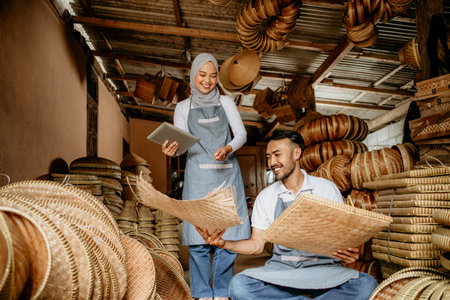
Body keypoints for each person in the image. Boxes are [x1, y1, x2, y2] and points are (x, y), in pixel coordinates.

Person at [196, 130, 378, 300]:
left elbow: (341, 236)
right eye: (268, 157)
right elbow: (257, 245)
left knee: (367, 284)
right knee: (239, 286)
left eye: (277, 154)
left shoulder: (325, 188)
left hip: (324, 270)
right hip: (282, 270)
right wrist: (224, 243)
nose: (272, 162)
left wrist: (349, 250)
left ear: (296, 153)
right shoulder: (266, 196)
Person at [162, 53, 251, 300]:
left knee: (227, 235)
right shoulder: (182, 107)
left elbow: (241, 135)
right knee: (198, 238)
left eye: (212, 76)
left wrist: (229, 148)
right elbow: (182, 143)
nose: (208, 80)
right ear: (193, 75)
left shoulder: (226, 103)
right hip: (198, 177)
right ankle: (202, 294)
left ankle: (222, 293)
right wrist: (172, 149)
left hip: (226, 177)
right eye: (202, 75)